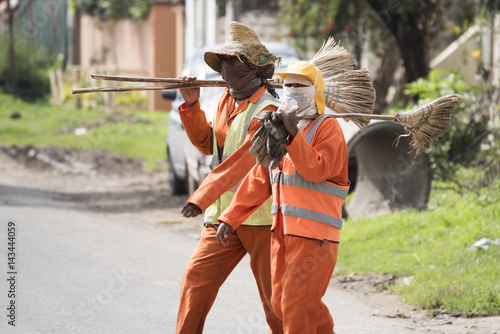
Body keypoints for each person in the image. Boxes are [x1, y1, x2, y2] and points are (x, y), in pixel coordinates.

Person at [217, 60, 350, 334]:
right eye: (287, 85)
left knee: (296, 307)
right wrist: (231, 218)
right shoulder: (279, 129)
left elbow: (316, 169)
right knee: (281, 304)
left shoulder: (328, 128)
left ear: (315, 91)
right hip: (282, 234)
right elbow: (260, 177)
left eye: (300, 86)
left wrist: (293, 134)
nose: (292, 91)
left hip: (315, 238)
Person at [175, 21, 283, 334]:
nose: (228, 71)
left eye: (236, 65)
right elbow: (212, 145)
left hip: (259, 219)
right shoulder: (225, 99)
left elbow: (242, 162)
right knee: (196, 281)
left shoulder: (268, 110)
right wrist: (192, 104)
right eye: (225, 64)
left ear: (256, 70)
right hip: (220, 215)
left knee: (275, 302)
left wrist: (200, 197)